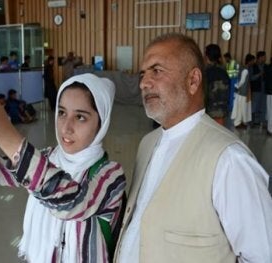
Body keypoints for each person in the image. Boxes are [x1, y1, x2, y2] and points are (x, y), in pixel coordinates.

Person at [115, 33, 272, 263]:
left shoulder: (229, 159)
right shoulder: (147, 144)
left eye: (156, 71)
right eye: (143, 74)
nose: (144, 83)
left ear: (193, 80)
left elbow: (263, 254)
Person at [0, 73, 126, 262]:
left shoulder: (111, 176)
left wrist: (6, 135)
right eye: (62, 113)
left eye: (81, 117)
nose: (66, 127)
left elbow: (71, 203)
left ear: (102, 123)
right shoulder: (46, 158)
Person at [203, 44, 230, 125]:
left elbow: (203, 94)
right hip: (222, 111)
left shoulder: (206, 72)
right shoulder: (224, 72)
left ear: (206, 56)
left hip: (209, 112)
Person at [232, 54, 255, 128]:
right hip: (242, 92)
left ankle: (240, 122)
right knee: (241, 107)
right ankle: (238, 122)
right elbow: (242, 81)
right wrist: (237, 87)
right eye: (252, 60)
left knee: (241, 107)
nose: (253, 62)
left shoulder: (245, 68)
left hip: (242, 92)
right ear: (250, 61)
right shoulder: (245, 70)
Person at [250, 51, 266, 125]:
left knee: (262, 105)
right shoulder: (253, 66)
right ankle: (252, 121)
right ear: (260, 57)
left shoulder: (265, 66)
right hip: (256, 88)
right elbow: (251, 78)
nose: (265, 58)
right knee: (254, 105)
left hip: (263, 88)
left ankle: (259, 121)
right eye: (264, 57)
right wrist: (259, 74)